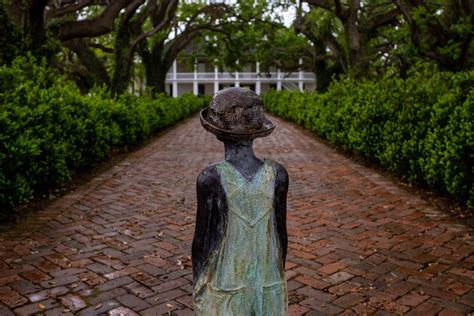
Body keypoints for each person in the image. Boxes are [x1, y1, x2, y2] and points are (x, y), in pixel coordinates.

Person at [192, 87, 289, 315]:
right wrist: (276, 273)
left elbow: (202, 241)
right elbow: (281, 235)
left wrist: (198, 280)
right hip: (267, 280)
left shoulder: (210, 178)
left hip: (225, 282)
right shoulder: (278, 174)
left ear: (217, 132)